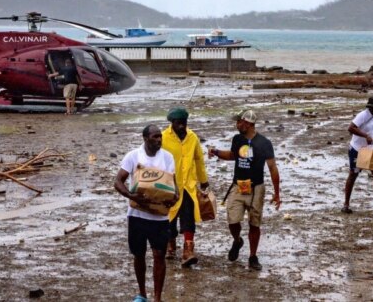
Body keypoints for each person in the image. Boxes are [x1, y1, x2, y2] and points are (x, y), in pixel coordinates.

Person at [208, 109, 280, 271]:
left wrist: (277, 193)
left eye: (239, 121)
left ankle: (253, 256)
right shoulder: (237, 139)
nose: (237, 124)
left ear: (247, 123)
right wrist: (216, 152)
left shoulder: (264, 143)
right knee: (233, 220)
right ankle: (237, 240)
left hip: (256, 188)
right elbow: (234, 155)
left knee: (254, 223)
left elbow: (273, 168)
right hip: (238, 186)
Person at [114, 125, 179, 302]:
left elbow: (174, 184)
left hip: (160, 217)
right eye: (155, 137)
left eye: (160, 137)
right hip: (137, 215)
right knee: (139, 254)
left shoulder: (167, 157)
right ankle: (142, 293)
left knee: (159, 255)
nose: (159, 140)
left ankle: (157, 297)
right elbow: (118, 180)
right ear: (145, 138)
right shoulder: (133, 156)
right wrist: (130, 195)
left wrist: (175, 197)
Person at [161, 107, 209, 267]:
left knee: (188, 216)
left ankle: (188, 250)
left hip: (188, 184)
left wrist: (204, 180)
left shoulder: (192, 137)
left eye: (184, 123)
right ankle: (170, 243)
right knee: (169, 218)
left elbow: (199, 159)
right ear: (172, 123)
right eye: (178, 123)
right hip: (168, 185)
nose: (182, 126)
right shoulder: (163, 138)